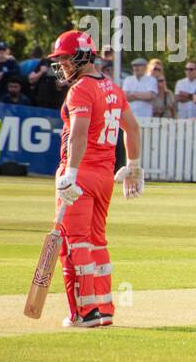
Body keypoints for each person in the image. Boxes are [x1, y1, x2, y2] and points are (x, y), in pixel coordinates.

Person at [49, 29, 145, 328]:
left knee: (73, 245)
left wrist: (71, 174)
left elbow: (78, 133)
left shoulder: (81, 89)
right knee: (96, 243)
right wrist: (133, 166)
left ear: (81, 56)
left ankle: (84, 312)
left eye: (65, 58)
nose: (62, 65)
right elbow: (133, 129)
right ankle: (103, 308)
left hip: (81, 174)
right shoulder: (113, 88)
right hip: (104, 177)